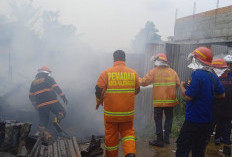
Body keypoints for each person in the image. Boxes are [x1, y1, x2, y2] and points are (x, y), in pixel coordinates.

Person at [176, 47, 225, 157]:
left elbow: (188, 96)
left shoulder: (197, 74)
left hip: (193, 120)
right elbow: (222, 94)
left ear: (197, 59)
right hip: (206, 121)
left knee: (183, 147)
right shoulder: (213, 76)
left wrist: (181, 86)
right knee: (199, 149)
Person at [95, 50, 140, 157]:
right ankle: (130, 154)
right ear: (124, 59)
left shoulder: (106, 73)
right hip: (127, 114)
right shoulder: (133, 73)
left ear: (114, 59)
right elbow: (137, 90)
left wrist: (99, 102)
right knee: (128, 134)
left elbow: (98, 90)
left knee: (111, 138)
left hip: (111, 115)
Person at [139, 53, 180, 147]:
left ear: (157, 61)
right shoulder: (173, 72)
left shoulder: (154, 71)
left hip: (159, 101)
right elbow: (177, 84)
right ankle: (166, 138)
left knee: (158, 120)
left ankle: (159, 140)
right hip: (170, 101)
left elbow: (144, 82)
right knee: (169, 119)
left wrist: (136, 79)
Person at [29, 66, 68, 136]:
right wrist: (63, 96)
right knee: (62, 112)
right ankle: (56, 121)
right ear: (46, 73)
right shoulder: (48, 79)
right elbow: (56, 88)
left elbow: (31, 96)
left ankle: (40, 135)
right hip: (52, 102)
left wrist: (35, 106)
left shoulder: (33, 83)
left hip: (41, 105)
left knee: (43, 122)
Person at [209, 58, 232, 156]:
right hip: (228, 108)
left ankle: (212, 139)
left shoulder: (215, 80)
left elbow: (211, 94)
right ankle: (225, 141)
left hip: (217, 107)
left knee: (214, 123)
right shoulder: (230, 80)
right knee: (225, 124)